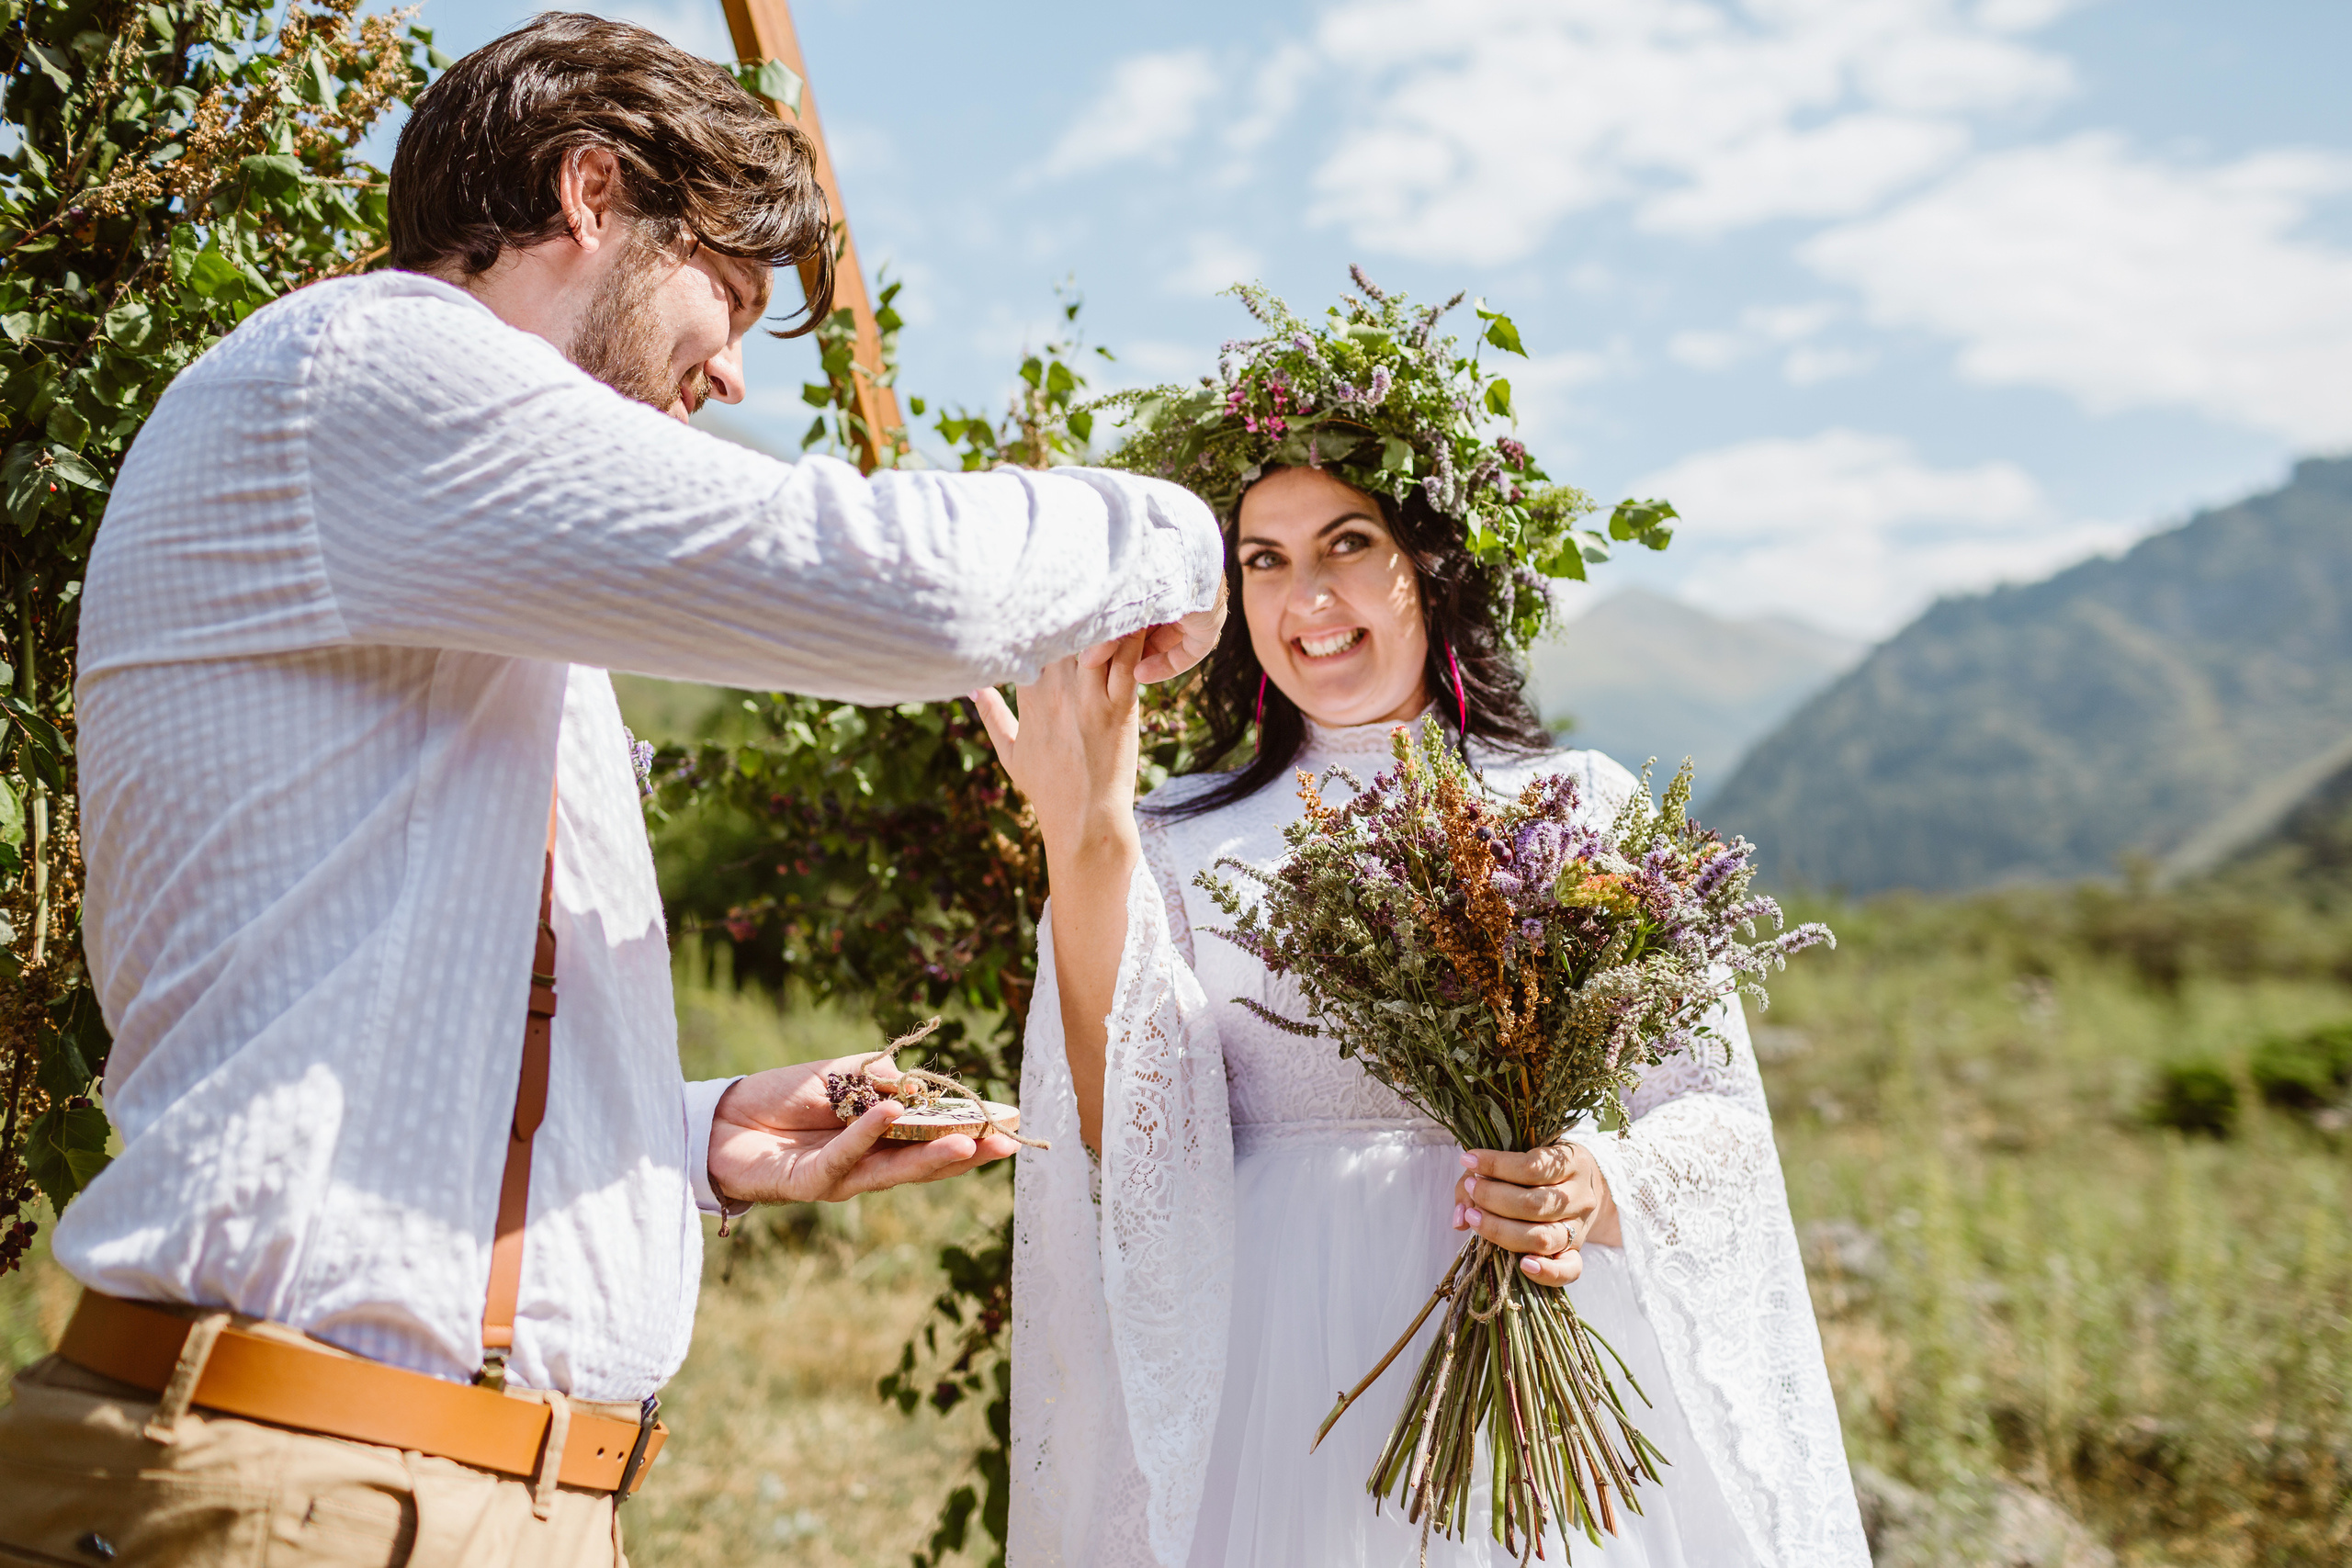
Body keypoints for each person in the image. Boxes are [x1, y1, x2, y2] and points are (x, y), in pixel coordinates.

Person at [0, 15, 1224, 1566]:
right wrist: (1183, 534)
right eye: (722, 293)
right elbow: (888, 585)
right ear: (590, 192)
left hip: (454, 1493)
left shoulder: (466, 552)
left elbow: (368, 991)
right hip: (296, 1486)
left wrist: (688, 1135)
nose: (728, 369)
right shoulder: (365, 368)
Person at [984, 276, 1869, 1567]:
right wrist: (1086, 836)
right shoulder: (1171, 837)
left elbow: (1721, 1120)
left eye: (1347, 542)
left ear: (1428, 563)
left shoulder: (1585, 807)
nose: (1309, 597)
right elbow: (1129, 1127)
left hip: (1547, 1334)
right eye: (1265, 560)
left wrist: (1595, 1182)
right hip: (1285, 1377)